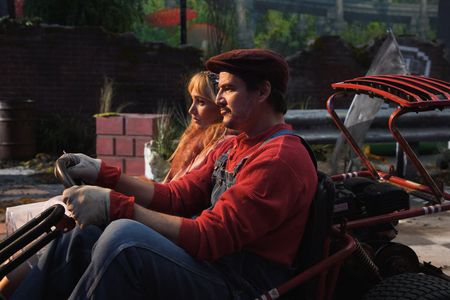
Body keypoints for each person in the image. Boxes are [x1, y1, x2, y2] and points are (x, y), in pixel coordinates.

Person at [11, 49, 318, 300]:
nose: (219, 98)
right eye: (220, 88)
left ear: (263, 91)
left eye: (228, 88)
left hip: (240, 284)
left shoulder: (278, 159)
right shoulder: (234, 145)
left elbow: (210, 237)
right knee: (85, 234)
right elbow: (175, 196)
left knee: (124, 241)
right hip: (213, 267)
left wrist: (115, 207)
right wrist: (102, 173)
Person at [162, 71, 232, 182]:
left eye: (200, 102)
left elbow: (177, 190)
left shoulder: (219, 144)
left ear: (220, 105)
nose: (191, 110)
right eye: (192, 100)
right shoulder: (193, 136)